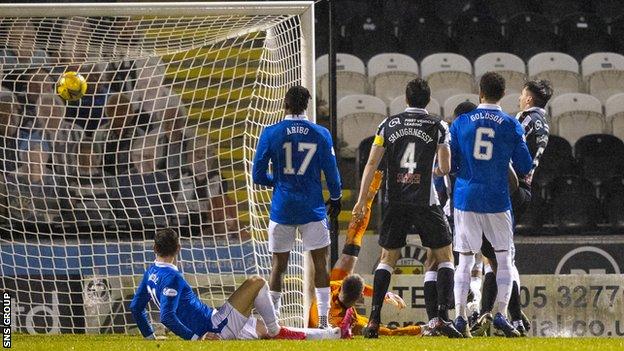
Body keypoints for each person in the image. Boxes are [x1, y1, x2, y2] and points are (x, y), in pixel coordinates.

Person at [352, 78, 461, 338]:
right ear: (428, 100)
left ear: (406, 99)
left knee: (387, 259)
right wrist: (435, 168)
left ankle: (374, 319)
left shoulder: (388, 124)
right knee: (445, 256)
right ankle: (443, 318)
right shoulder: (438, 125)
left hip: (395, 199)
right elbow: (445, 168)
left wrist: (361, 201)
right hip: (425, 200)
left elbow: (371, 165)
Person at [130, 228, 355, 340]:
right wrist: (195, 338)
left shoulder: (151, 273)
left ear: (154, 250)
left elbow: (135, 307)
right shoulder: (173, 278)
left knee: (263, 330)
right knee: (256, 282)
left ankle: (328, 335)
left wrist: (149, 337)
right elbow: (168, 316)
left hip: (215, 317)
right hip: (214, 327)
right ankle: (277, 327)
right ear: (178, 249)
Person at [450, 72, 533, 338]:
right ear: (503, 94)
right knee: (503, 258)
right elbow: (525, 165)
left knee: (464, 260)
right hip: (497, 200)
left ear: (480, 93)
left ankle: (461, 318)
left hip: (466, 198)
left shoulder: (462, 122)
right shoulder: (511, 125)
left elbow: (450, 164)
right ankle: (500, 314)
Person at [252, 85, 342, 329]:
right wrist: (335, 197)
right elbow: (331, 172)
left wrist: (278, 181)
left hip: (282, 208)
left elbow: (258, 175)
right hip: (312, 207)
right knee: (320, 264)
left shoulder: (271, 133)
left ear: (285, 104)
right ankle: (323, 320)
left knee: (278, 267)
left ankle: (273, 322)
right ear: (307, 105)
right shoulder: (320, 133)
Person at [474, 79, 553, 337]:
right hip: (524, 190)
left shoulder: (525, 119)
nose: (520, 98)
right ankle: (501, 315)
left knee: (497, 258)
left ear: (529, 99)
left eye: (522, 95)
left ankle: (507, 316)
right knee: (499, 256)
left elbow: (507, 148)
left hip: (510, 189)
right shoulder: (544, 124)